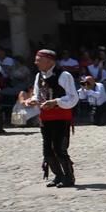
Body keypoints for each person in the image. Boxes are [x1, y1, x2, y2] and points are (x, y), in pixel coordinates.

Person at [20, 49, 78, 188]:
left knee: (59, 148)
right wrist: (32, 100)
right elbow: (37, 94)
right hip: (46, 118)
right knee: (47, 150)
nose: (36, 63)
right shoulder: (39, 76)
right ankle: (58, 175)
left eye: (38, 60)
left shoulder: (64, 75)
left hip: (61, 117)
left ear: (49, 61)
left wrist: (56, 102)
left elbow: (73, 97)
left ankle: (69, 177)